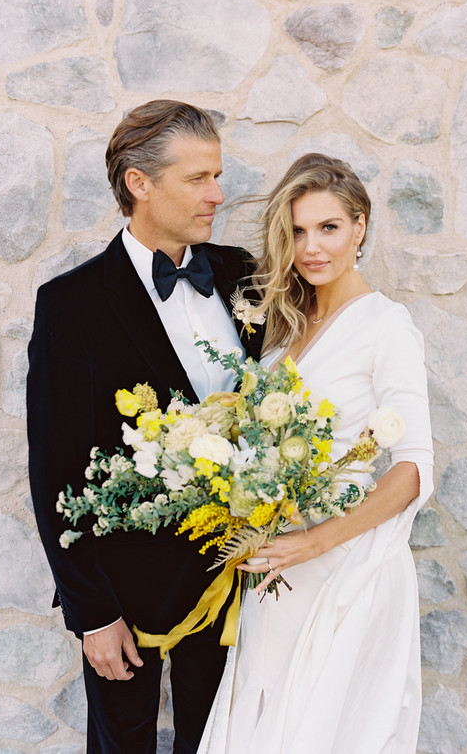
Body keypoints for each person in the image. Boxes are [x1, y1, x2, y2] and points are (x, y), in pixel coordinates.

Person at [27, 99, 263, 754]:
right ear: (139, 182)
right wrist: (92, 614)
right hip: (123, 597)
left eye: (217, 175)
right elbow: (55, 469)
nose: (218, 194)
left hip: (233, 581)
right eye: (198, 178)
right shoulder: (70, 306)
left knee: (220, 743)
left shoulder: (242, 273)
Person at [197, 153, 434, 754]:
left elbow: (411, 469)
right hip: (275, 566)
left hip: (342, 564)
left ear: (360, 225)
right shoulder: (282, 332)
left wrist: (315, 541)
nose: (311, 247)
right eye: (298, 231)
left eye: (328, 227)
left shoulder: (387, 325)